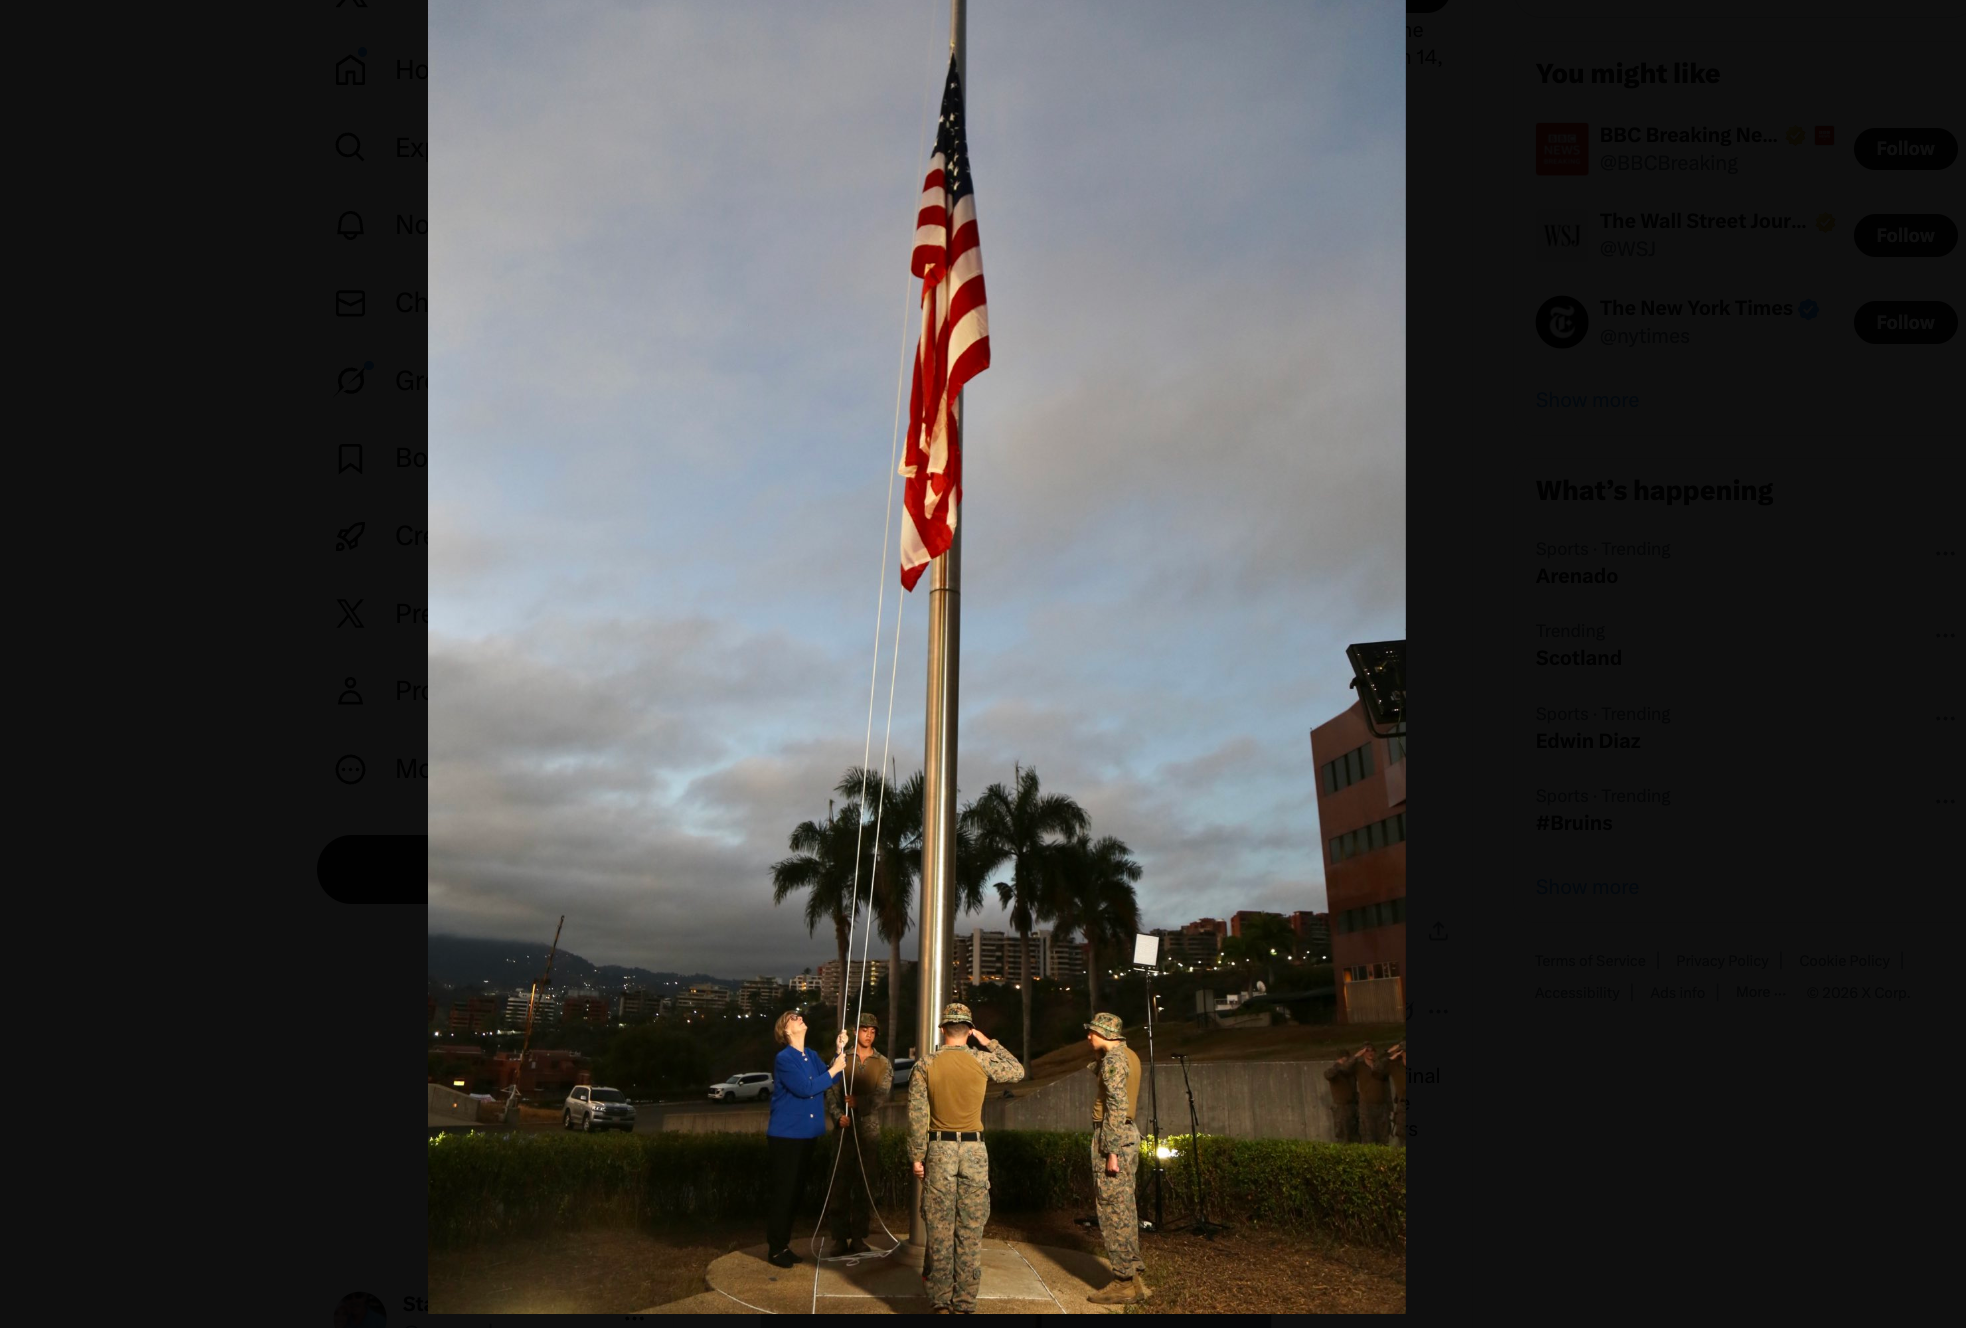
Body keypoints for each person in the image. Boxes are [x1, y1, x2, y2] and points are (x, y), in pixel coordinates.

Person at [907, 1002, 1024, 1314]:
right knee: (970, 1232)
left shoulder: (925, 1064)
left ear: (942, 1029)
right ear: (969, 1031)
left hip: (939, 1151)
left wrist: (917, 1156)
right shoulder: (983, 1060)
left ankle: (940, 1304)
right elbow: (1017, 1070)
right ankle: (965, 1305)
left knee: (940, 1231)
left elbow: (918, 1116)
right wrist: (988, 1042)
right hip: (974, 1151)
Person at [764, 1009, 849, 1267]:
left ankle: (783, 1244)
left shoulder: (810, 1055)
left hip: (806, 1135)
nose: (799, 1017)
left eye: (799, 1015)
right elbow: (806, 1088)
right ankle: (775, 1249)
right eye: (792, 1017)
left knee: (795, 1192)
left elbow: (827, 1076)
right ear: (786, 1030)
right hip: (786, 1136)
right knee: (784, 1192)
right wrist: (834, 1068)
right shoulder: (784, 1058)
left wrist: (838, 1051)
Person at [1082, 1012, 1150, 1305]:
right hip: (1127, 1135)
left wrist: (1111, 1152)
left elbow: (1116, 1105)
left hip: (1114, 1137)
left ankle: (1122, 1280)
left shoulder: (1113, 1061)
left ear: (1107, 1034)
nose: (1088, 1037)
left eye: (1093, 1032)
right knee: (1125, 1206)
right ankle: (1133, 1275)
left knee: (1112, 1210)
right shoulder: (1128, 1055)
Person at [823, 1010, 893, 1253]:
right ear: (856, 1031)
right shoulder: (842, 1058)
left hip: (868, 1131)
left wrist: (860, 1103)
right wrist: (837, 1116)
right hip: (844, 1129)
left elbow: (882, 1094)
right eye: (865, 1030)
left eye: (873, 1031)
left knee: (865, 1184)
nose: (869, 1035)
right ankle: (839, 1237)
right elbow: (830, 1091)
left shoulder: (882, 1063)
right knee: (840, 1183)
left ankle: (859, 1237)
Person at [1355, 1043, 1392, 1145]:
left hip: (1381, 1106)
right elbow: (1345, 1068)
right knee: (1368, 1137)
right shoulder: (1359, 1066)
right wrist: (1356, 1055)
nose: (1370, 1053)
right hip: (1366, 1106)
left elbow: (1386, 1086)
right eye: (1367, 1051)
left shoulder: (1380, 1066)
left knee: (1383, 1137)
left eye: (1372, 1050)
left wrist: (1389, 1106)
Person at [1325, 1048, 1360, 1143]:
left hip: (1352, 1105)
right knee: (1343, 1135)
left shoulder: (1350, 1073)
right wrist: (1339, 1066)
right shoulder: (1334, 1072)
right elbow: (1328, 1075)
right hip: (1341, 1106)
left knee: (1355, 1135)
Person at [1387, 1041, 1407, 1146]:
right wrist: (1389, 1053)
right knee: (1403, 1137)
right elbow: (1379, 1066)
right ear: (1401, 1053)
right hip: (1402, 1106)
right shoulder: (1395, 1067)